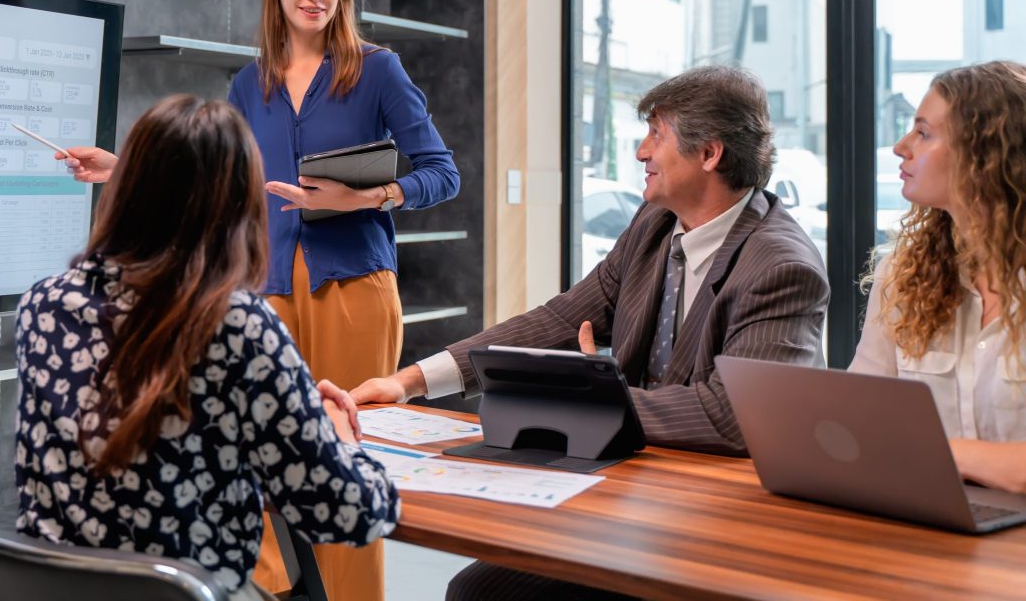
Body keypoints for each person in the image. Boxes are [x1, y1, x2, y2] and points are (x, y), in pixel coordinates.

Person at [57, 0, 460, 600]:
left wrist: (372, 197)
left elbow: (441, 174)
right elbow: (207, 173)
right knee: (257, 460)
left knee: (341, 459)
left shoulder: (377, 71)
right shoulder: (251, 84)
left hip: (355, 288)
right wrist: (121, 168)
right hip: (263, 291)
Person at [351, 64, 829, 601]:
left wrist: (593, 394)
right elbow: (559, 320)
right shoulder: (653, 227)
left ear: (709, 154)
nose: (641, 152)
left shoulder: (782, 267)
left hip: (716, 523)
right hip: (633, 492)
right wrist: (412, 381)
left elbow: (734, 415)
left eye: (656, 134)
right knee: (476, 590)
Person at [15, 94, 401, 601]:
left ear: (125, 190)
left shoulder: (43, 306)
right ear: (237, 207)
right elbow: (349, 512)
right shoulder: (237, 325)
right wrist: (340, 437)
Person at [850, 60, 1026, 495]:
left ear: (984, 156)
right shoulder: (904, 271)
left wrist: (945, 452)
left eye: (923, 133)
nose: (900, 147)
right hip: (931, 521)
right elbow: (858, 410)